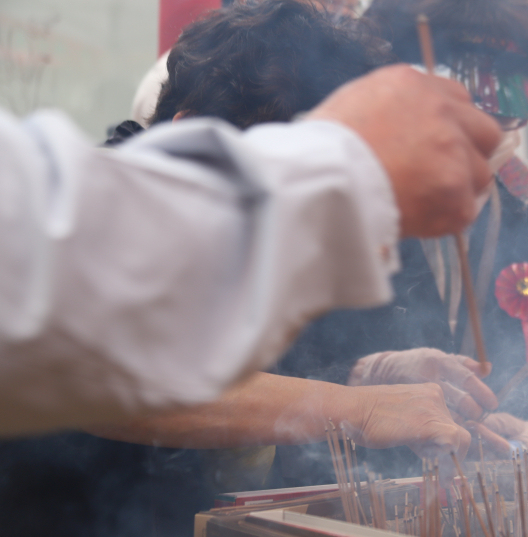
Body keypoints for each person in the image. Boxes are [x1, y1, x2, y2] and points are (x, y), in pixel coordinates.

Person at [1, 63, 501, 441]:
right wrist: (357, 408)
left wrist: (366, 372)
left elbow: (252, 360)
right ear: (188, 128)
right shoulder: (102, 197)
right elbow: (103, 356)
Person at [270, 0, 528, 484]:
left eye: (505, 118)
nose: (484, 136)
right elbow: (257, 386)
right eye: (465, 114)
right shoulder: (331, 214)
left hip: (520, 516)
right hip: (362, 508)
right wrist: (362, 378)